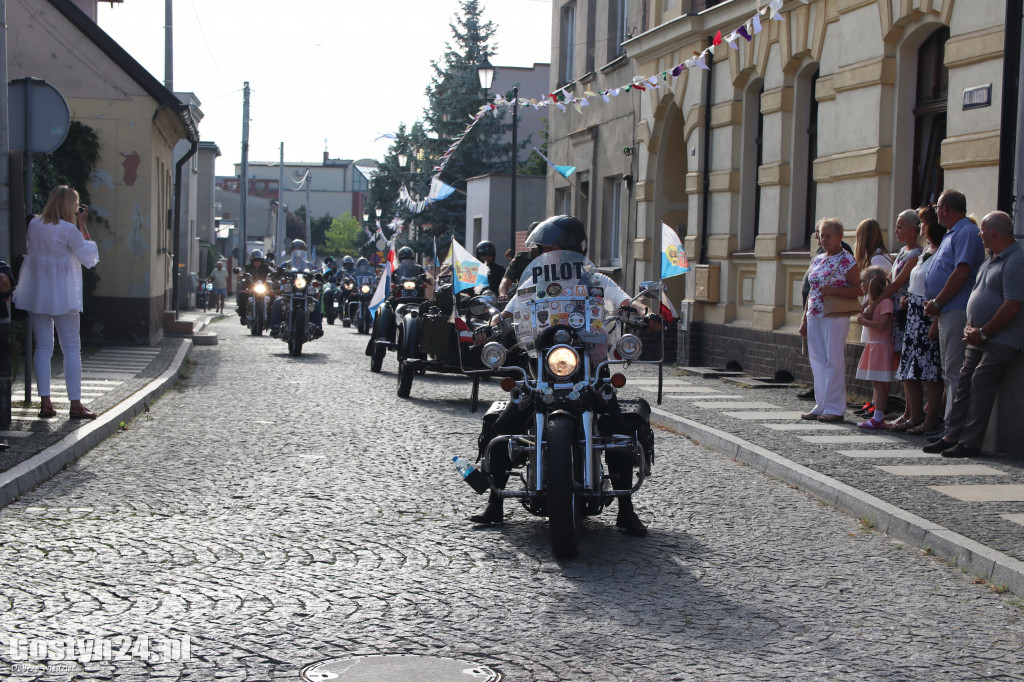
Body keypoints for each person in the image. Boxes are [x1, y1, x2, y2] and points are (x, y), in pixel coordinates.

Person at [471, 215, 654, 537]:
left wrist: (639, 312)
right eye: (542, 248)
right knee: (503, 426)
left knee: (618, 430)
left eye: (551, 246)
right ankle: (495, 502)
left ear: (569, 247)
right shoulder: (533, 284)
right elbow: (509, 311)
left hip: (590, 366)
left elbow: (624, 300)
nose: (544, 252)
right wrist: (493, 321)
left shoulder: (596, 281)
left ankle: (626, 509)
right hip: (541, 368)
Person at [922, 211, 1023, 457]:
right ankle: (951, 434)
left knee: (980, 380)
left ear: (994, 233)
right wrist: (970, 326)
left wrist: (984, 332)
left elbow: (1012, 305)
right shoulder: (990, 260)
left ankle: (970, 442)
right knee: (963, 380)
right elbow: (977, 295)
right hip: (976, 336)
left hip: (1001, 338)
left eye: (983, 230)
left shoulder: (1016, 260)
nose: (979, 234)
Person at [12, 185, 100, 420]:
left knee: (43, 346)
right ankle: (76, 404)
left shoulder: (33, 224)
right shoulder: (69, 230)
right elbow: (89, 258)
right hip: (64, 294)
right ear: (71, 206)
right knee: (71, 348)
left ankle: (46, 403)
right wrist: (82, 224)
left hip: (37, 292)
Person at [923, 190, 985, 435]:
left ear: (945, 209)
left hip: (957, 308)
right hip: (947, 309)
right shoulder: (952, 233)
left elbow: (961, 272)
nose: (936, 211)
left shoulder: (966, 232)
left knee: (955, 369)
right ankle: (950, 424)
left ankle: (954, 427)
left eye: (937, 207)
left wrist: (938, 302)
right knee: (949, 370)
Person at [863, 210, 923, 428]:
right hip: (898, 314)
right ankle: (907, 412)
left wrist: (876, 302)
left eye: (899, 226)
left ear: (912, 228)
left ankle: (911, 413)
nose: (896, 231)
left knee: (906, 363)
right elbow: (888, 280)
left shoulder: (916, 253)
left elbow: (897, 284)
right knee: (902, 363)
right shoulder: (903, 252)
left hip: (906, 314)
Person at [799, 218, 860, 422]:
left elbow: (859, 288)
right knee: (817, 360)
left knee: (833, 360)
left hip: (834, 315)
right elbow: (811, 291)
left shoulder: (847, 260)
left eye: (828, 236)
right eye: (821, 235)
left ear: (839, 237)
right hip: (814, 313)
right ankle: (821, 403)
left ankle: (835, 407)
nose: (823, 239)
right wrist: (804, 318)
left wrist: (834, 290)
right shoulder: (818, 259)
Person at [894, 207, 946, 435]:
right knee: (909, 368)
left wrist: (935, 320)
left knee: (930, 370)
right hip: (914, 314)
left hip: (928, 316)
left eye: (923, 223)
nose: (921, 227)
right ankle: (914, 415)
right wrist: (908, 298)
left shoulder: (942, 252)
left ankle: (930, 419)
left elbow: (940, 285)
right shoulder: (926, 250)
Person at [852, 219, 893, 417]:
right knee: (874, 372)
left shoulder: (878, 260)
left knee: (878, 372)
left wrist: (869, 306)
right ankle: (874, 403)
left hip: (875, 317)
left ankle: (878, 407)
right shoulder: (877, 257)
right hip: (871, 311)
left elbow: (880, 288)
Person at [854, 266, 897, 429]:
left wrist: (865, 322)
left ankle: (878, 415)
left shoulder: (885, 302)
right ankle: (877, 414)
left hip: (881, 346)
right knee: (876, 383)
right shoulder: (874, 302)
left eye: (862, 281)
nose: (861, 284)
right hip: (874, 346)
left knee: (880, 383)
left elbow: (882, 325)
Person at [270, 239, 323, 337]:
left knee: (315, 303)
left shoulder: (309, 265)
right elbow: (278, 272)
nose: (298, 252)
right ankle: (275, 327)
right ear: (292, 251)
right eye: (296, 250)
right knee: (278, 302)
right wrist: (277, 273)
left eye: (300, 250)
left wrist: (319, 274)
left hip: (305, 291)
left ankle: (317, 327)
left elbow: (317, 271)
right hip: (290, 292)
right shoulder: (286, 265)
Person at [498, 222, 541, 299]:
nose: (537, 244)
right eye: (534, 240)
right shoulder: (520, 258)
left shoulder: (550, 257)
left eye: (539, 240)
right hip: (523, 299)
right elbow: (506, 279)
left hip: (545, 297)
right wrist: (503, 293)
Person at [237, 249, 272, 324]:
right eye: (255, 260)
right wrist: (241, 275)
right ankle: (243, 316)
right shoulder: (248, 268)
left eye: (258, 260)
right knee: (242, 295)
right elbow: (242, 273)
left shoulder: (265, 268)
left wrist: (276, 274)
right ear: (252, 260)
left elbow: (272, 273)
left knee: (273, 297)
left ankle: (271, 318)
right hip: (251, 288)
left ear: (261, 260)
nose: (257, 262)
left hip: (264, 289)